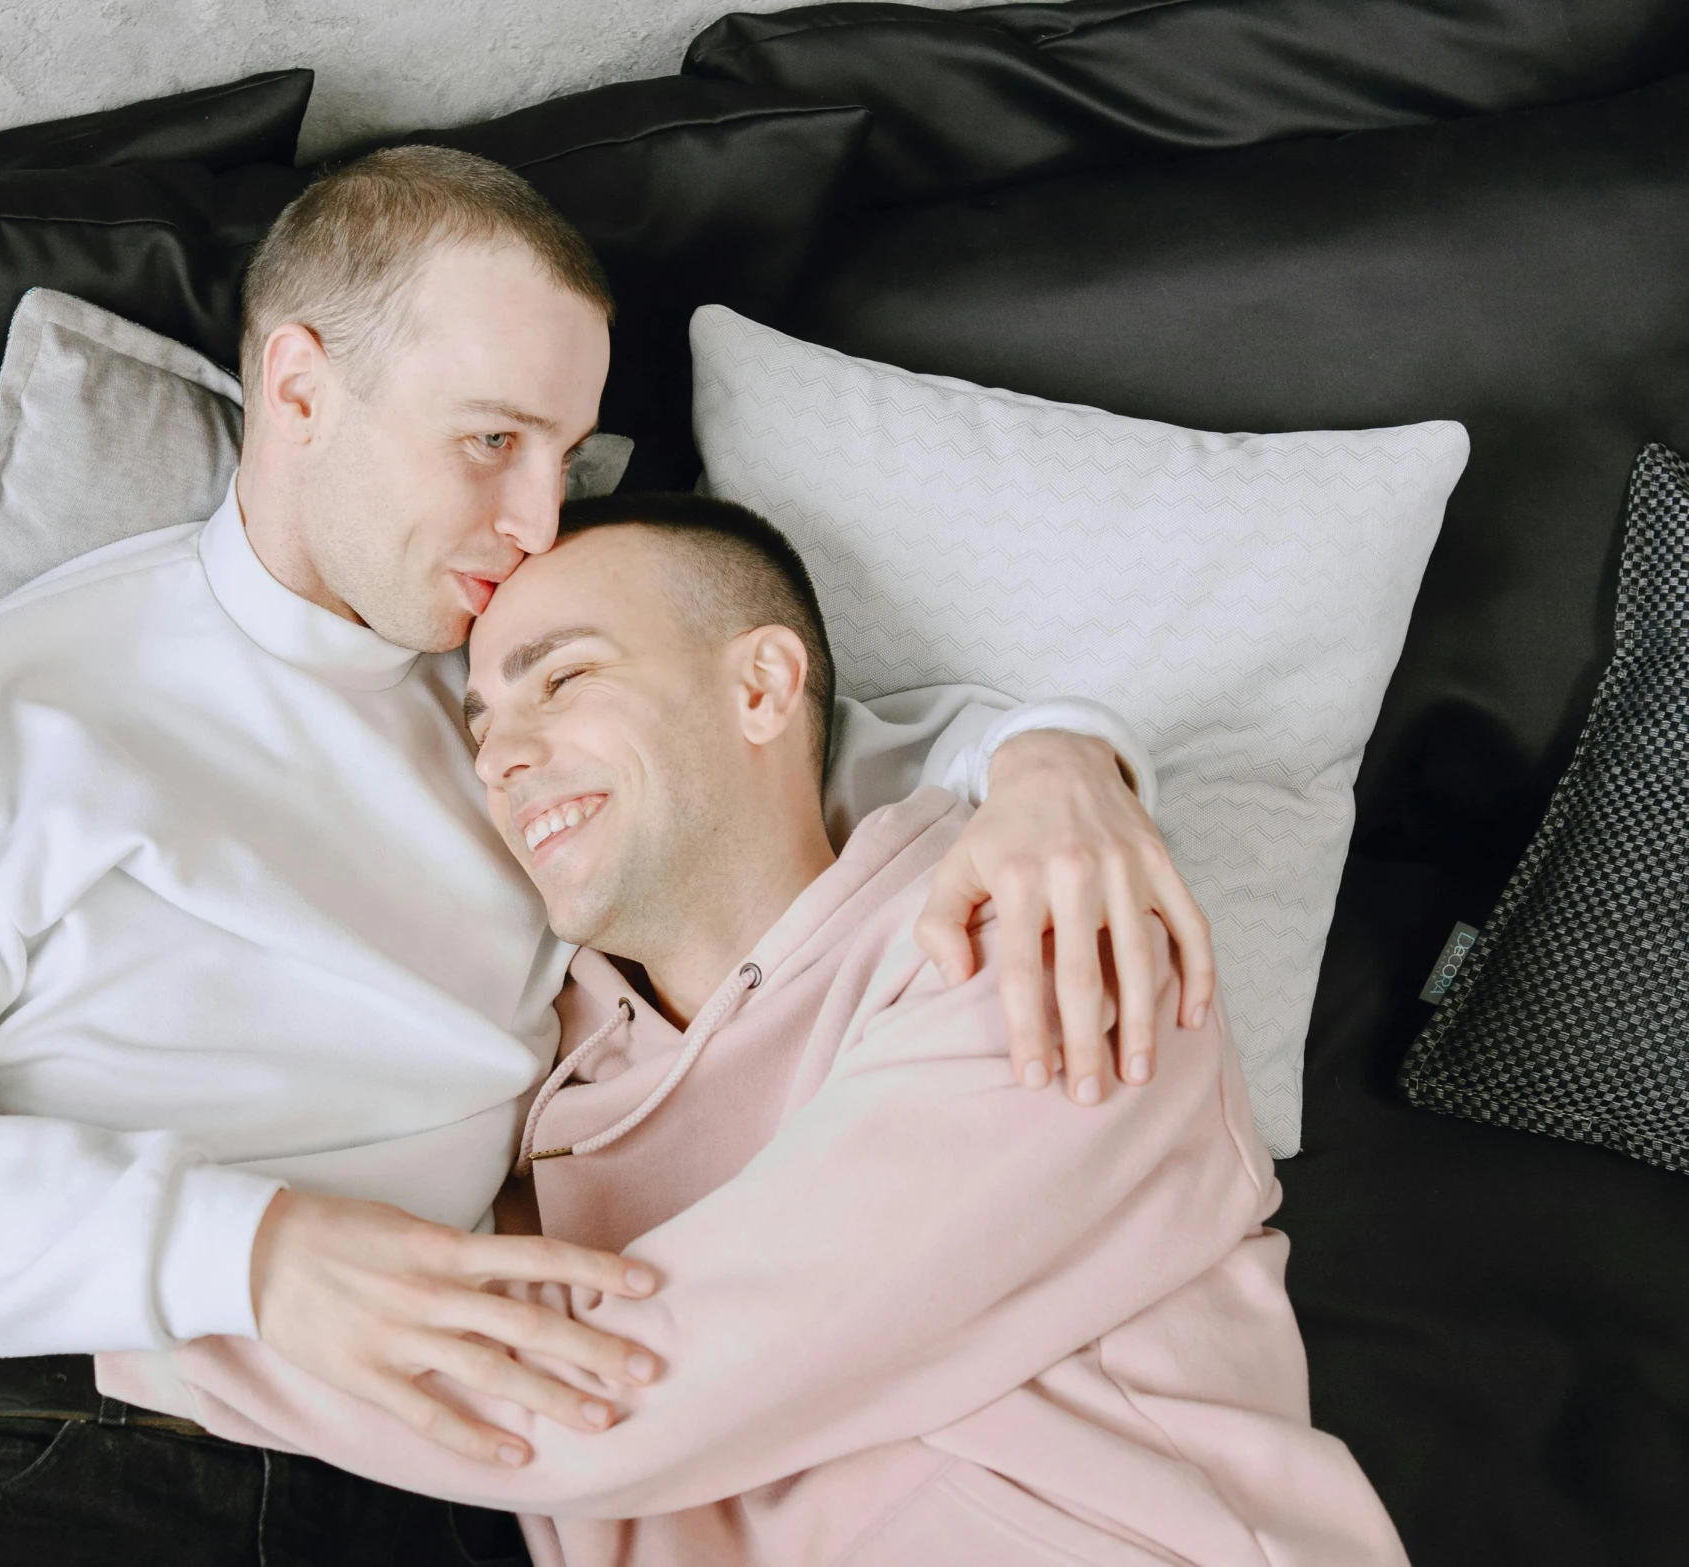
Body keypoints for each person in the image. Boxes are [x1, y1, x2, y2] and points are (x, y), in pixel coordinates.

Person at [0, 147, 1214, 1565]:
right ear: (297, 390)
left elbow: (779, 755)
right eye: (489, 441)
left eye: (565, 452)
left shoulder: (523, 692)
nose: (535, 516)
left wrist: (1053, 758)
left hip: (457, 1475)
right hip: (67, 1427)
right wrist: (253, 1250)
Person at [102, 493, 1405, 1566]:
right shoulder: (541, 1082)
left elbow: (611, 1390)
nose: (500, 753)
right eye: (481, 722)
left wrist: (95, 1288)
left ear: (762, 684)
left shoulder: (1031, 935)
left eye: (557, 678)